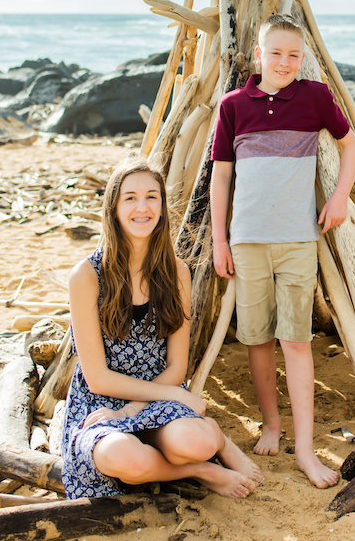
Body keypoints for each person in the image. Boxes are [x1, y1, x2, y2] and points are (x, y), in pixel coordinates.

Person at [210, 13, 355, 488]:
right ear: (258, 54)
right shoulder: (234, 105)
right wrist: (219, 239)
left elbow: (350, 144)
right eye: (275, 52)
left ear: (303, 58)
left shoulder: (315, 97)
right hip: (247, 242)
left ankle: (306, 450)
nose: (284, 62)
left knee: (295, 340)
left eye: (293, 55)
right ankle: (272, 424)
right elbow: (220, 177)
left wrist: (339, 198)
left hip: (298, 240)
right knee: (257, 338)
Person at [61, 157, 262, 499]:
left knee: (196, 441)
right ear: (113, 208)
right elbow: (97, 378)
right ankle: (201, 471)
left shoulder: (177, 273)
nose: (143, 207)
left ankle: (214, 440)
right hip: (99, 404)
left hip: (157, 393)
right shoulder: (87, 276)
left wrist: (134, 410)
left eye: (152, 197)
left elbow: (175, 367)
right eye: (130, 197)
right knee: (121, 456)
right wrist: (159, 401)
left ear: (163, 206)